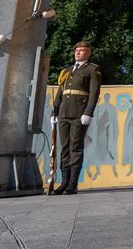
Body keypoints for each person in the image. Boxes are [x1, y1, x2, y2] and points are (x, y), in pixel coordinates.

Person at [51, 41, 101, 195]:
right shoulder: (66, 71)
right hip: (64, 113)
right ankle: (64, 182)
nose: (78, 52)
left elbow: (94, 93)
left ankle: (73, 184)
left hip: (80, 113)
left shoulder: (93, 69)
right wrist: (55, 111)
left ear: (89, 53)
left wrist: (88, 112)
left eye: (82, 50)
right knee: (64, 147)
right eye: (76, 50)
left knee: (75, 147)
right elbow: (60, 92)